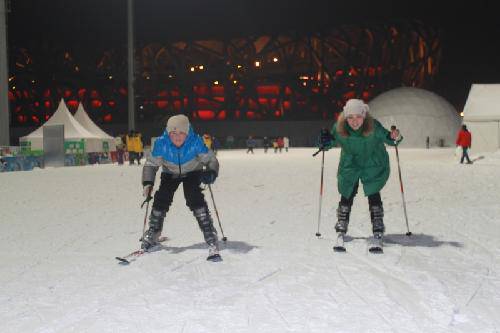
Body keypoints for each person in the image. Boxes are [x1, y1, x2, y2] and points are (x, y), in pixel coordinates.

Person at [319, 99, 402, 248]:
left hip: (372, 162)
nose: (354, 121)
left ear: (364, 116)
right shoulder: (339, 128)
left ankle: (378, 226)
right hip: (350, 163)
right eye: (350, 117)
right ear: (345, 117)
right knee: (347, 192)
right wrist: (324, 141)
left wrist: (395, 136)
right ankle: (341, 224)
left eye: (358, 116)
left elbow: (389, 138)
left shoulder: (373, 126)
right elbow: (329, 142)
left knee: (373, 192)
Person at [141, 115, 222, 261]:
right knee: (162, 197)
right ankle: (154, 231)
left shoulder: (196, 141)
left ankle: (209, 231)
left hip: (192, 172)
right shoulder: (161, 143)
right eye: (173, 133)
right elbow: (151, 164)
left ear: (187, 133)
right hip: (170, 173)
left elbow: (211, 159)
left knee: (194, 196)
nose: (177, 137)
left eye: (181, 133)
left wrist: (211, 172)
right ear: (168, 133)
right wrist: (148, 182)